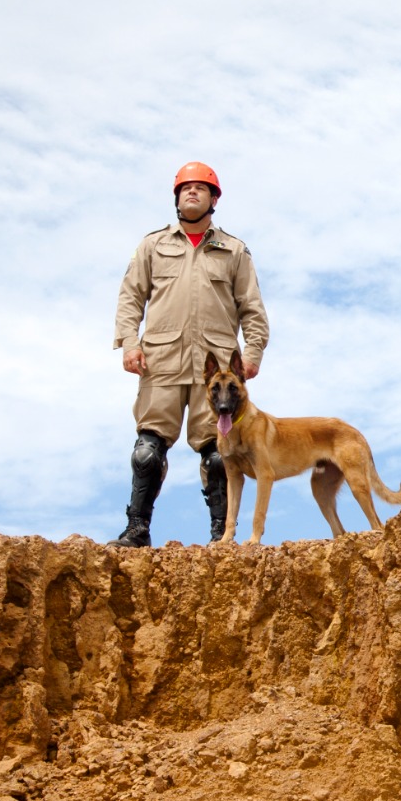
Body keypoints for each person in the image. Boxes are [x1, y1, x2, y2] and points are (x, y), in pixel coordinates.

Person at [110, 162, 269, 548]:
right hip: (161, 362)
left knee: (219, 455)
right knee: (147, 452)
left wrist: (252, 352)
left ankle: (221, 534)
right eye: (185, 188)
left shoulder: (233, 250)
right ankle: (136, 530)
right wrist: (130, 343)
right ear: (177, 197)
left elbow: (252, 307)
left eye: (201, 188)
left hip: (216, 371)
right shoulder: (153, 246)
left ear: (214, 199)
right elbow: (131, 297)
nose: (192, 193)